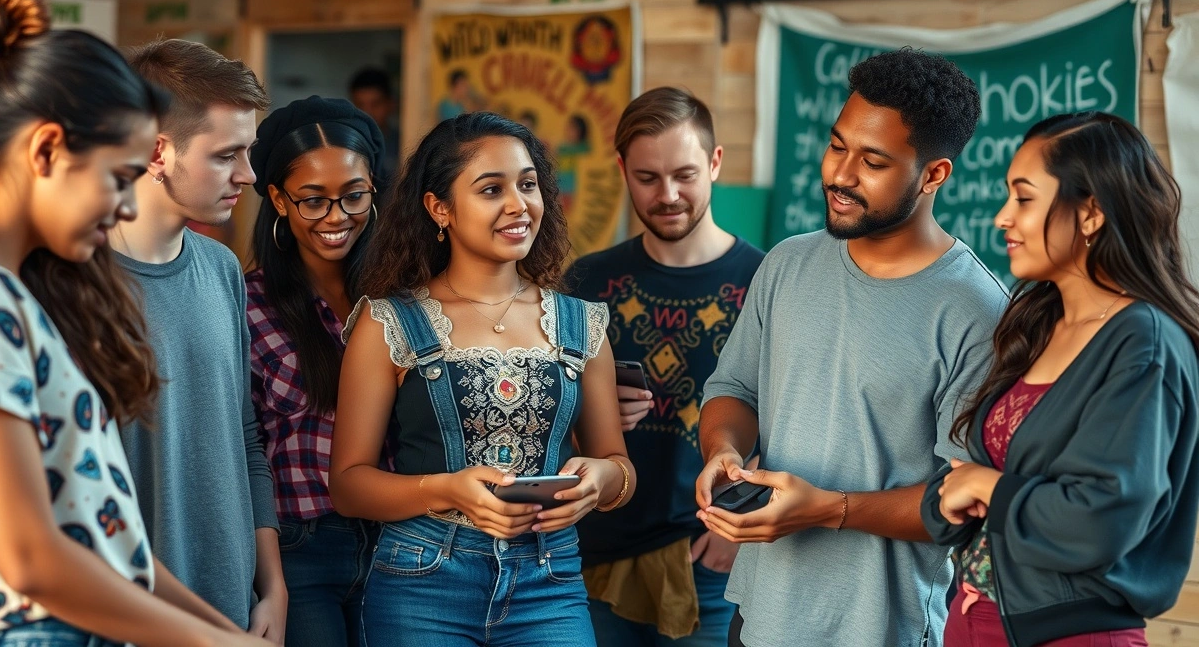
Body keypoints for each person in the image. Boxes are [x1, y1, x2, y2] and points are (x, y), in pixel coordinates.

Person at [0, 0, 270, 647]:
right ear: (47, 150)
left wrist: (215, 627)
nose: (129, 204)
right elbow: (31, 558)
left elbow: (106, 533)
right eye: (117, 178)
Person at [694, 48, 1008, 647]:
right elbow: (733, 389)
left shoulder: (978, 311)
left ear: (934, 175)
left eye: (873, 161)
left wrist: (827, 509)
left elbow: (959, 501)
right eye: (837, 146)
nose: (839, 174)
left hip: (882, 628)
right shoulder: (787, 263)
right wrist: (723, 452)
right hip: (757, 618)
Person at [329, 111, 636, 646]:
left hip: (551, 584)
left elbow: (618, 466)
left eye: (528, 184)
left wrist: (601, 483)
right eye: (491, 189)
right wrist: (448, 489)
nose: (519, 205)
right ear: (439, 207)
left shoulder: (582, 324)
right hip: (422, 583)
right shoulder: (388, 323)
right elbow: (348, 486)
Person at [923, 112, 1199, 647]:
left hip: (1071, 636)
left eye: (1024, 199)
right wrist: (952, 495)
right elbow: (967, 479)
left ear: (1091, 212)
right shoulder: (1037, 326)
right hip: (973, 621)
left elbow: (1102, 519)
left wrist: (990, 489)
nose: (1003, 217)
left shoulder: (1143, 342)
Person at [568, 87, 764, 646]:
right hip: (595, 553)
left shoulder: (769, 280)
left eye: (685, 174)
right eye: (648, 177)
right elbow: (545, 418)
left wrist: (743, 527)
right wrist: (591, 414)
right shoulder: (584, 283)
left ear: (716, 163)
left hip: (712, 553)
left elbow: (800, 410)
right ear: (622, 169)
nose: (668, 194)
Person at [112, 39, 284, 641]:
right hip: (126, 618)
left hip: (234, 613)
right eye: (226, 155)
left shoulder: (221, 269)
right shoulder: (72, 285)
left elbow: (243, 436)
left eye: (249, 152)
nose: (249, 175)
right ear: (158, 151)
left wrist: (272, 586)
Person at [246, 96, 386, 647]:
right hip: (299, 548)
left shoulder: (400, 296)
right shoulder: (248, 301)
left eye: (354, 196)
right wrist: (268, 580)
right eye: (313, 201)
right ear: (279, 199)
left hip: (398, 541)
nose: (336, 218)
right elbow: (246, 445)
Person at [348, 67, 400, 180]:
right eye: (359, 105)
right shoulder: (343, 146)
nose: (367, 113)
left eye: (375, 104)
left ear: (391, 104)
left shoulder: (403, 142)